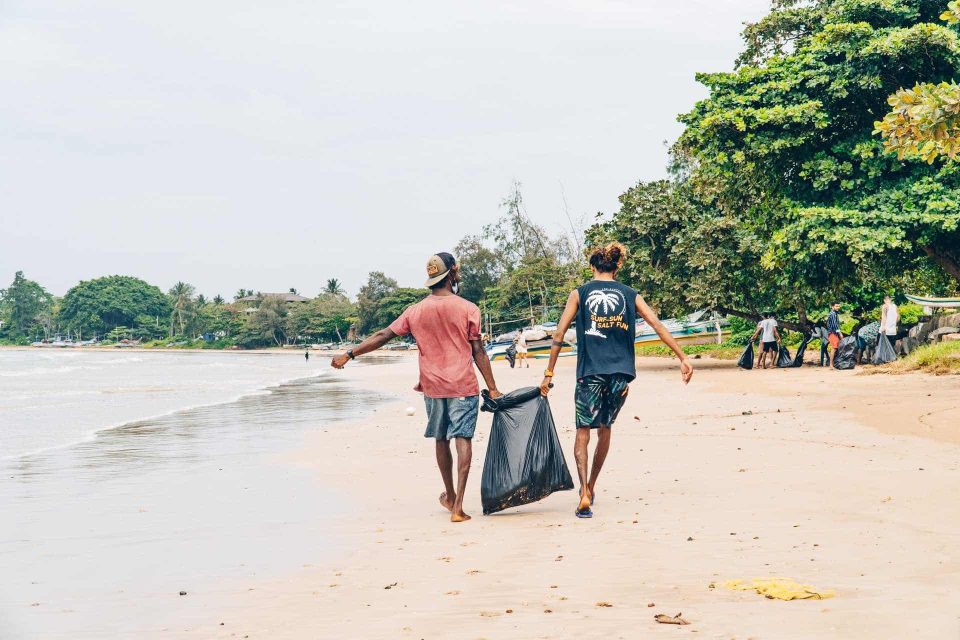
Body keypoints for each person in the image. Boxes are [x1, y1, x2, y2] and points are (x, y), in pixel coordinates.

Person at [331, 252, 501, 523]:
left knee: (441, 439)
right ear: (453, 272)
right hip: (462, 384)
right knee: (463, 439)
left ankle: (449, 494)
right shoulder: (469, 308)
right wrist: (492, 388)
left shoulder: (415, 311)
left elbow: (383, 335)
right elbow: (478, 350)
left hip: (433, 386)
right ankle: (457, 507)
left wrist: (349, 354)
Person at [540, 242, 693, 519]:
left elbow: (559, 334)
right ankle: (593, 486)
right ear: (618, 266)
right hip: (621, 374)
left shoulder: (580, 293)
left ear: (592, 267)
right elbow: (657, 324)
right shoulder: (630, 294)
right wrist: (682, 356)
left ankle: (584, 490)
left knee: (583, 430)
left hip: (589, 373)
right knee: (605, 428)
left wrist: (548, 373)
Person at [826, 302, 843, 368]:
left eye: (838, 306)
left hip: (834, 333)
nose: (838, 307)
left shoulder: (835, 313)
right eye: (836, 306)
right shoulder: (833, 314)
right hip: (833, 333)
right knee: (834, 348)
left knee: (836, 347)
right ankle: (831, 364)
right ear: (832, 307)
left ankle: (833, 363)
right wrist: (840, 333)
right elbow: (834, 325)